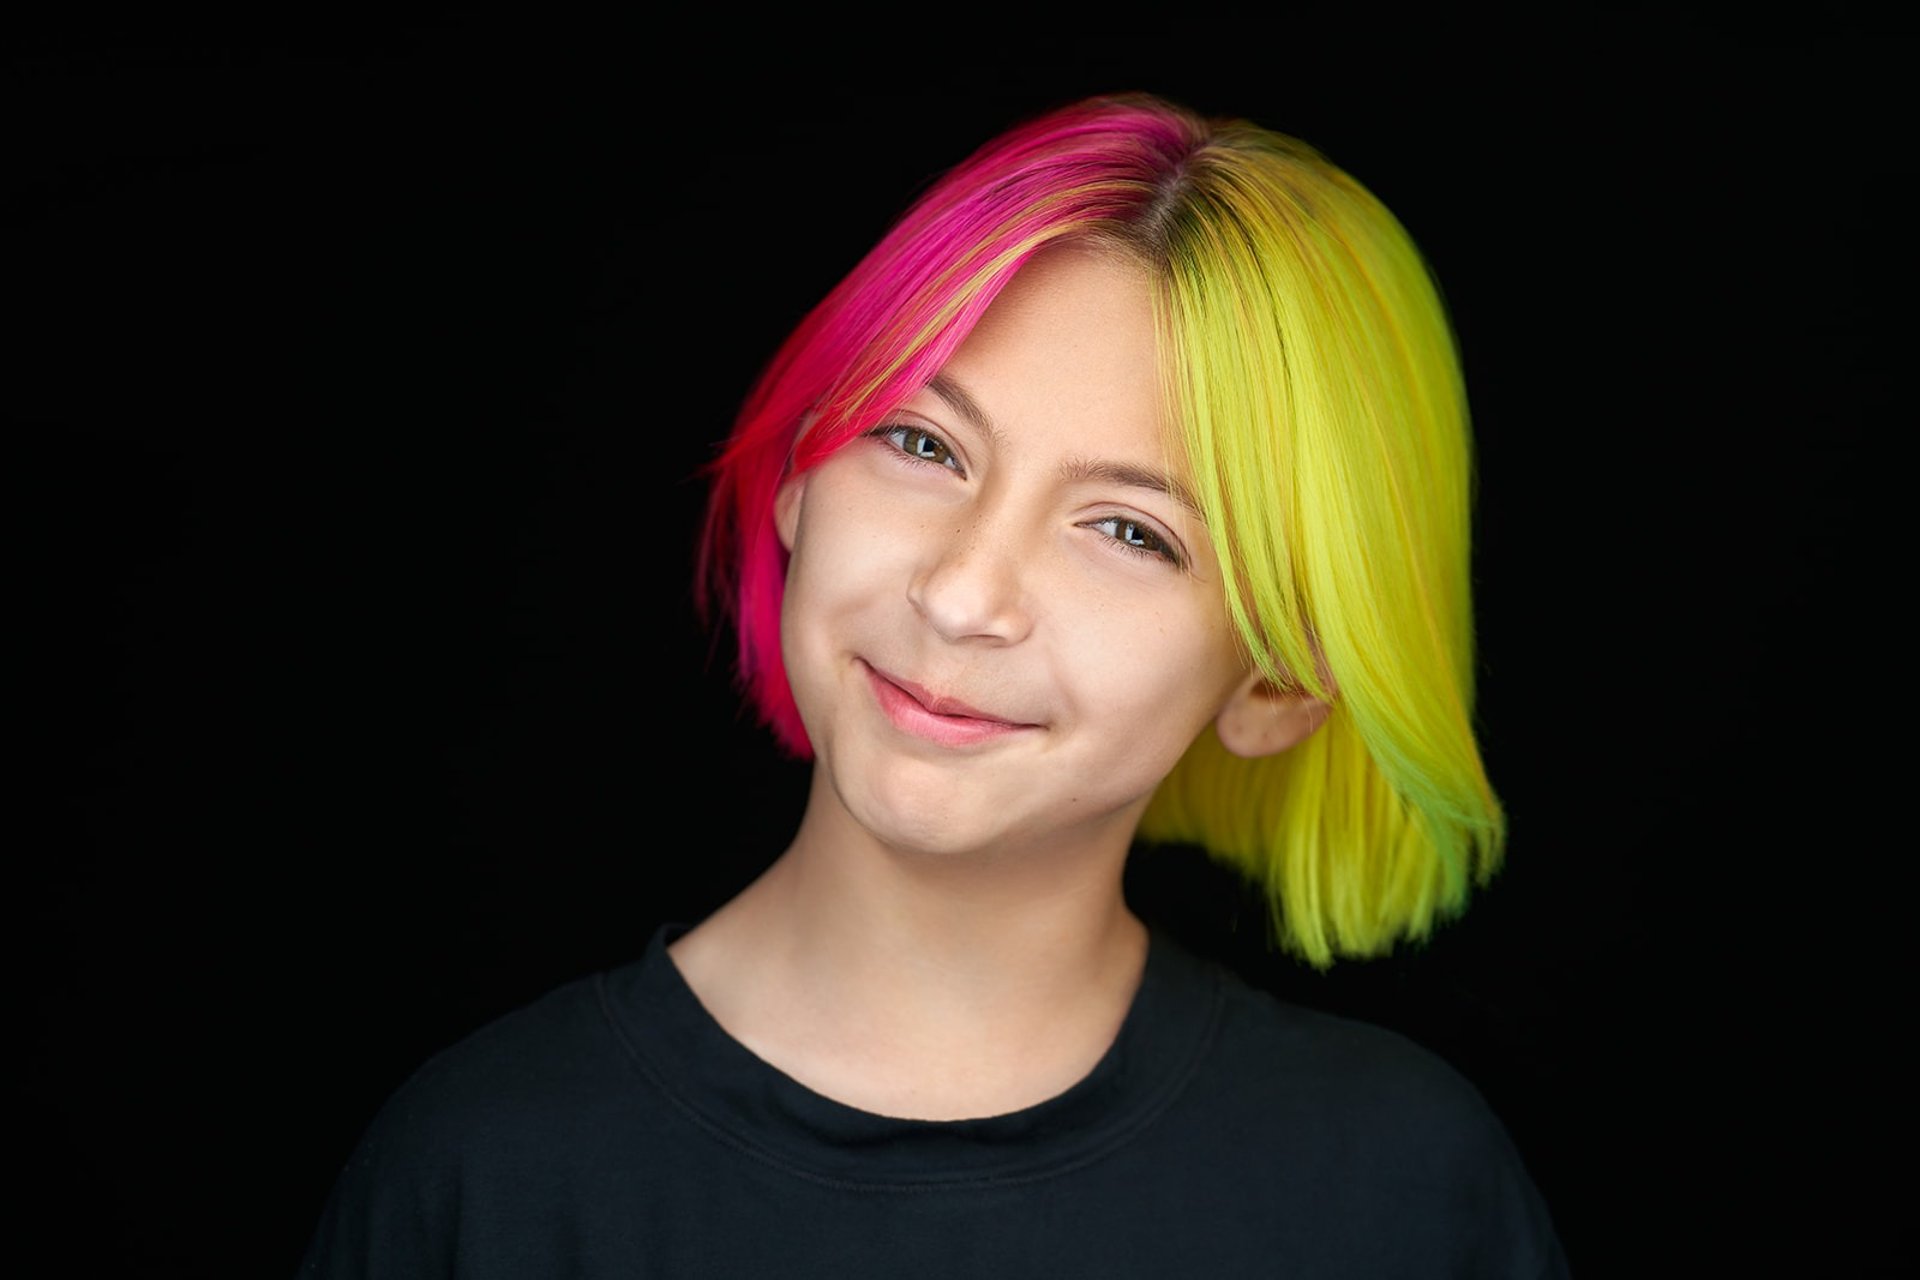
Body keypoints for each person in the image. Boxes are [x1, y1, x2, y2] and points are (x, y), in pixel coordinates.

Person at [298, 90, 1568, 1277]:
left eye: (1132, 531)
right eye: (921, 441)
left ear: (1282, 680)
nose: (963, 594)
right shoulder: (481, 1171)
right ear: (799, 470)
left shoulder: (1398, 1190)